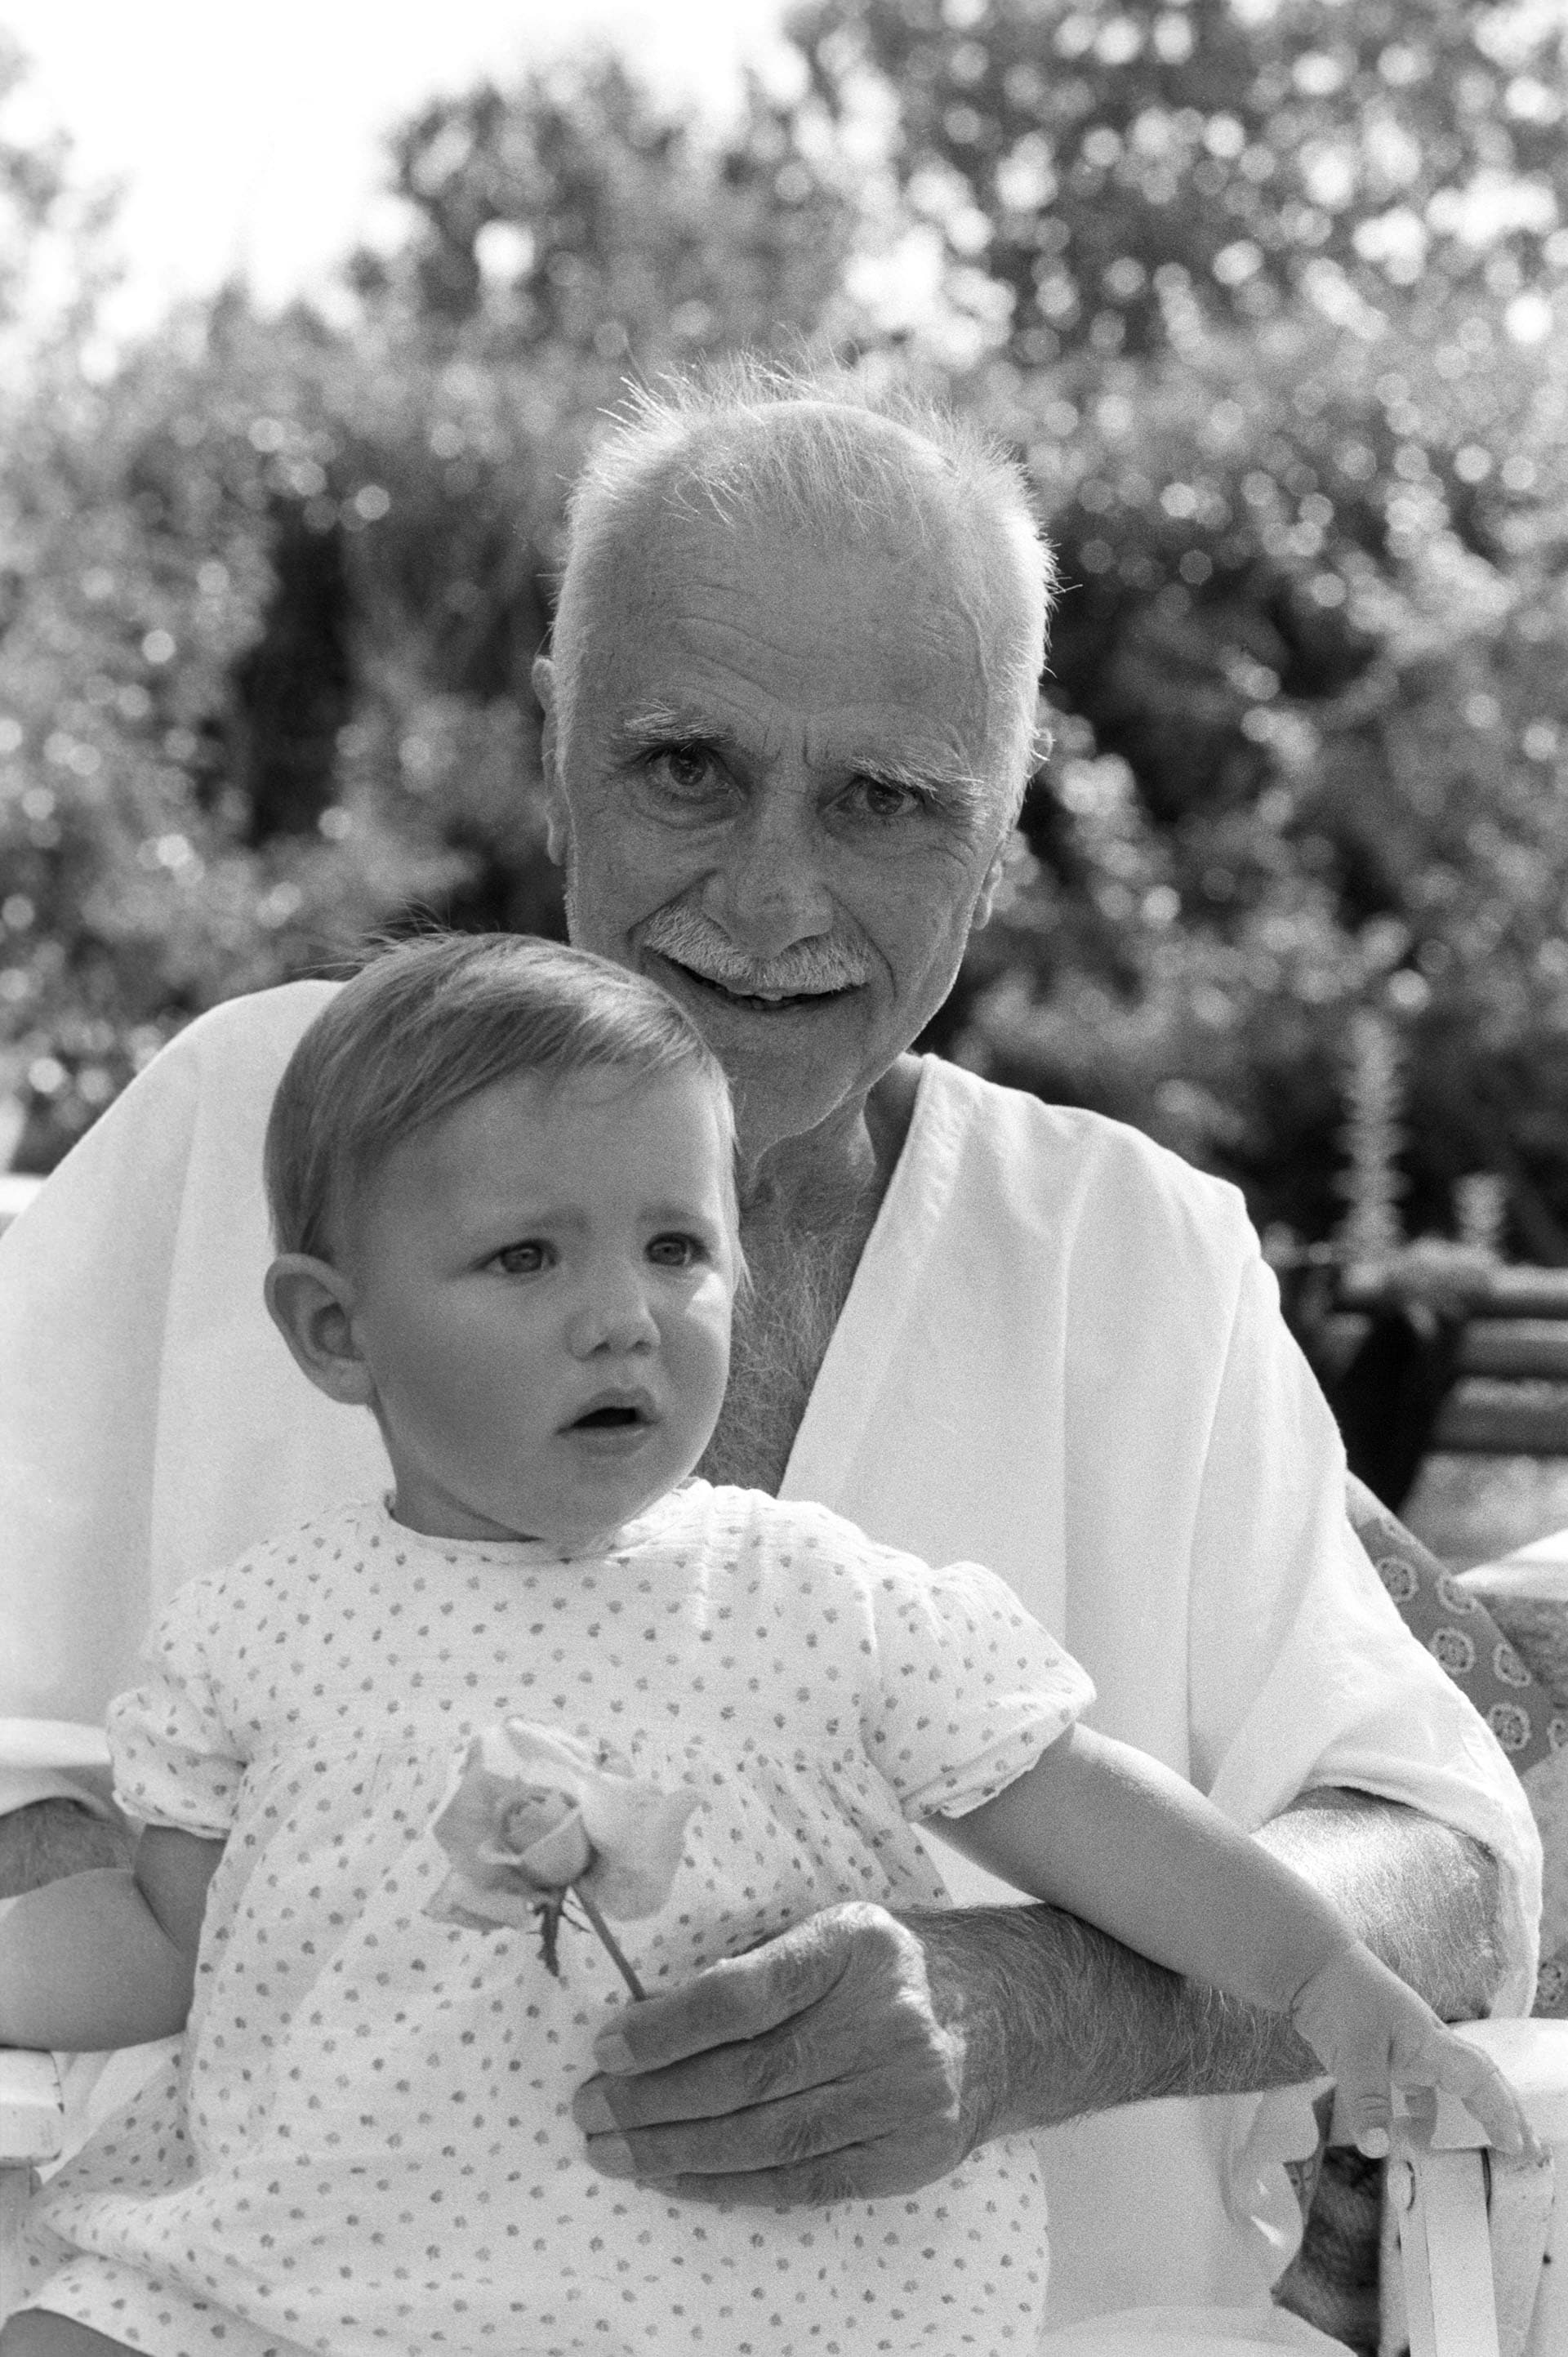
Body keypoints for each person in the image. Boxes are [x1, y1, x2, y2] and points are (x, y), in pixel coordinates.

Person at [0, 362, 1542, 2324]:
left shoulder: (1131, 1251)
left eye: (887, 803)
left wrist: (1037, 2008)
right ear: (558, 746)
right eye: (686, 766)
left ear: (998, 839)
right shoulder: (250, 1127)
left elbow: (1443, 1864)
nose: (772, 894)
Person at [0, 934, 1530, 2357]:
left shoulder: (809, 1600)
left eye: (677, 1248)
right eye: (528, 1258)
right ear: (337, 1331)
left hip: (732, 2299)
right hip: (313, 2279)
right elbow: (167, 1935)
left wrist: (1321, 1972)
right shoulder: (259, 1633)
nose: (625, 1317)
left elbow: (1084, 1814)